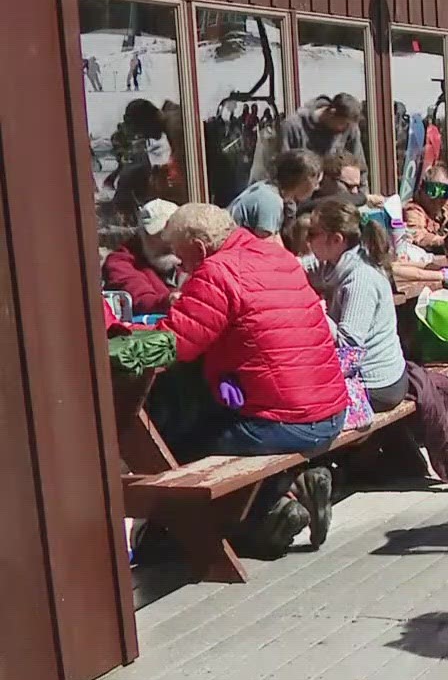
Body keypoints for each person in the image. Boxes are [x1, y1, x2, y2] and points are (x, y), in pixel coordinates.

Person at [156, 204, 349, 556]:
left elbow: (175, 345)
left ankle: (264, 516)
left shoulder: (216, 271)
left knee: (181, 444)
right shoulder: (276, 255)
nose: (182, 268)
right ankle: (295, 483)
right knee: (223, 416)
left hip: (287, 423)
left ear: (199, 249)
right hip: (331, 413)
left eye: (182, 258)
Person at [303, 201, 408, 414]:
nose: (307, 239)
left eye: (312, 233)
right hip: (365, 376)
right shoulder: (333, 263)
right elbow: (302, 267)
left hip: (377, 383)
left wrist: (315, 311)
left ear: (336, 240)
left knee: (301, 401)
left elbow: (349, 345)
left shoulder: (360, 278)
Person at [103, 199, 183, 315]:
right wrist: (168, 301)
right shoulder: (121, 262)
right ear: (142, 234)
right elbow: (141, 300)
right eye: (160, 235)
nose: (168, 241)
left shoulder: (190, 255)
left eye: (174, 233)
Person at [229, 150, 322, 243]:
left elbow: (276, 239)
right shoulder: (271, 201)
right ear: (303, 180)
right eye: (316, 181)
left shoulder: (269, 190)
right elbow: (266, 246)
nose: (317, 187)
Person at [402, 164, 448, 252]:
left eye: (445, 193)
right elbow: (419, 236)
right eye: (433, 192)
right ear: (422, 190)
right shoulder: (413, 210)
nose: (439, 200)